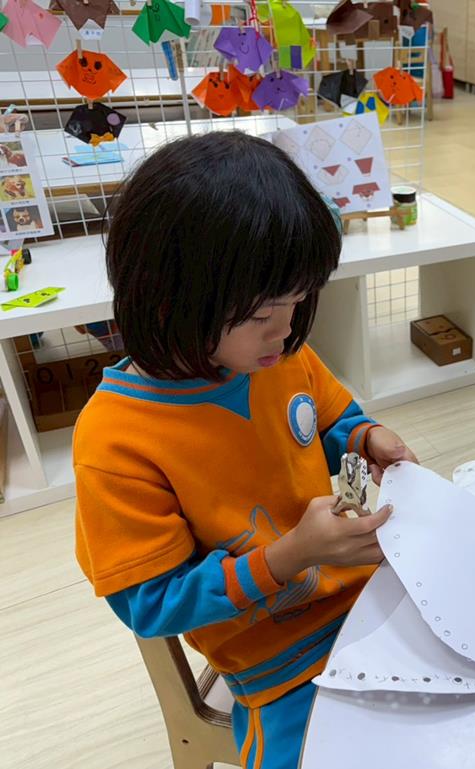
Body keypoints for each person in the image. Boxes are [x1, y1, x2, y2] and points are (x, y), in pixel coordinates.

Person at [73, 131, 418, 769]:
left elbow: (329, 419)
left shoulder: (279, 357)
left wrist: (367, 439)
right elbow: (152, 604)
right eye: (263, 315)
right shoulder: (115, 439)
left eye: (298, 303)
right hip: (276, 662)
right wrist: (291, 556)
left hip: (375, 599)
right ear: (170, 299)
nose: (285, 332)